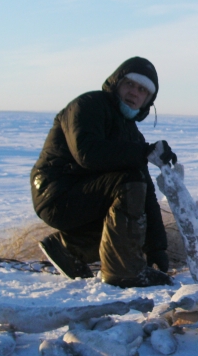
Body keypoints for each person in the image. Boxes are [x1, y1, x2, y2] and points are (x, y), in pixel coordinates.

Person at [30, 56, 177, 288]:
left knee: (135, 191)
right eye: (130, 84)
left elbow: (146, 190)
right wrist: (144, 152)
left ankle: (70, 249)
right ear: (116, 83)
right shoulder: (88, 105)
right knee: (128, 182)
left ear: (148, 101)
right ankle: (124, 271)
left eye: (142, 91)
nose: (134, 93)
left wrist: (156, 248)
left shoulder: (131, 133)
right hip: (57, 194)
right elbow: (87, 154)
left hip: (83, 196)